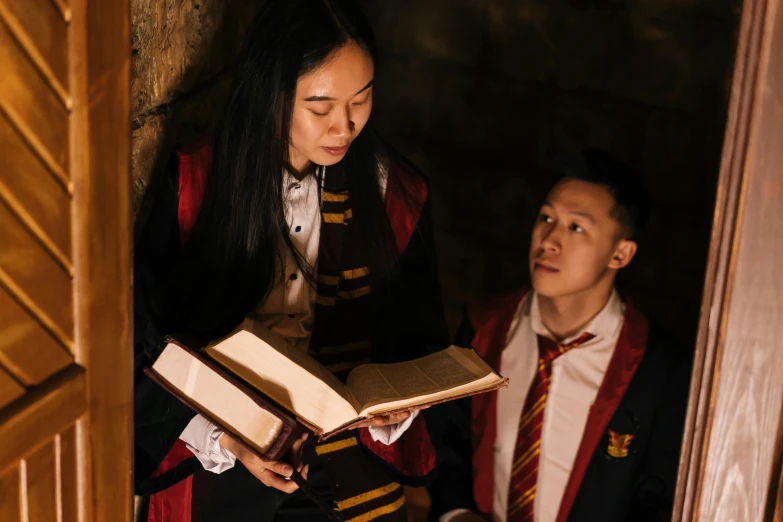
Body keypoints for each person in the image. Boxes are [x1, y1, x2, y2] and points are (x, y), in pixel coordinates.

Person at [133, 1, 448, 521]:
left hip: (351, 460)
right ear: (271, 95)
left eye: (362, 100)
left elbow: (419, 335)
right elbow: (146, 339)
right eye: (321, 107)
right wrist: (228, 438)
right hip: (224, 452)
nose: (345, 126)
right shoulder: (197, 182)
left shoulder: (396, 193)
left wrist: (399, 405)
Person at [427, 149, 692, 522]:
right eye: (546, 217)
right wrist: (456, 514)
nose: (549, 239)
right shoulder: (484, 328)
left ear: (620, 254)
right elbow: (447, 442)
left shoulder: (659, 367)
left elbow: (661, 495)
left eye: (576, 227)